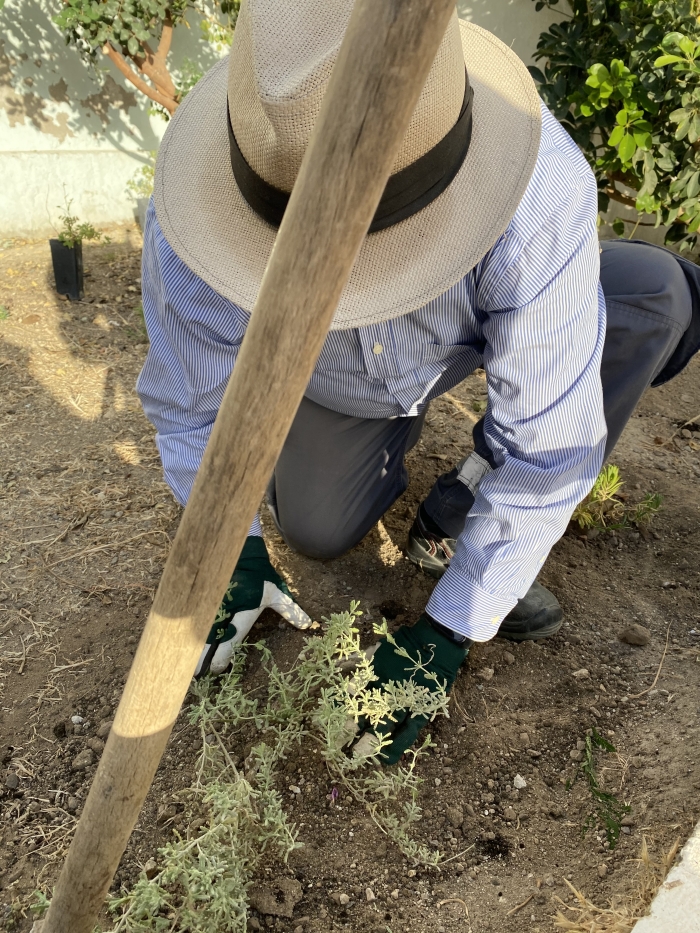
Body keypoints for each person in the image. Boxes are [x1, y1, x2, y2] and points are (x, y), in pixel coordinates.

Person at [137, 0, 700, 764]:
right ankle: (380, 463)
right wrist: (229, 547)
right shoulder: (186, 236)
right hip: (341, 385)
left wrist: (449, 628)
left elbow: (550, 450)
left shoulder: (537, 193)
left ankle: (462, 499)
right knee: (319, 530)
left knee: (650, 296)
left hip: (459, 345)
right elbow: (186, 403)